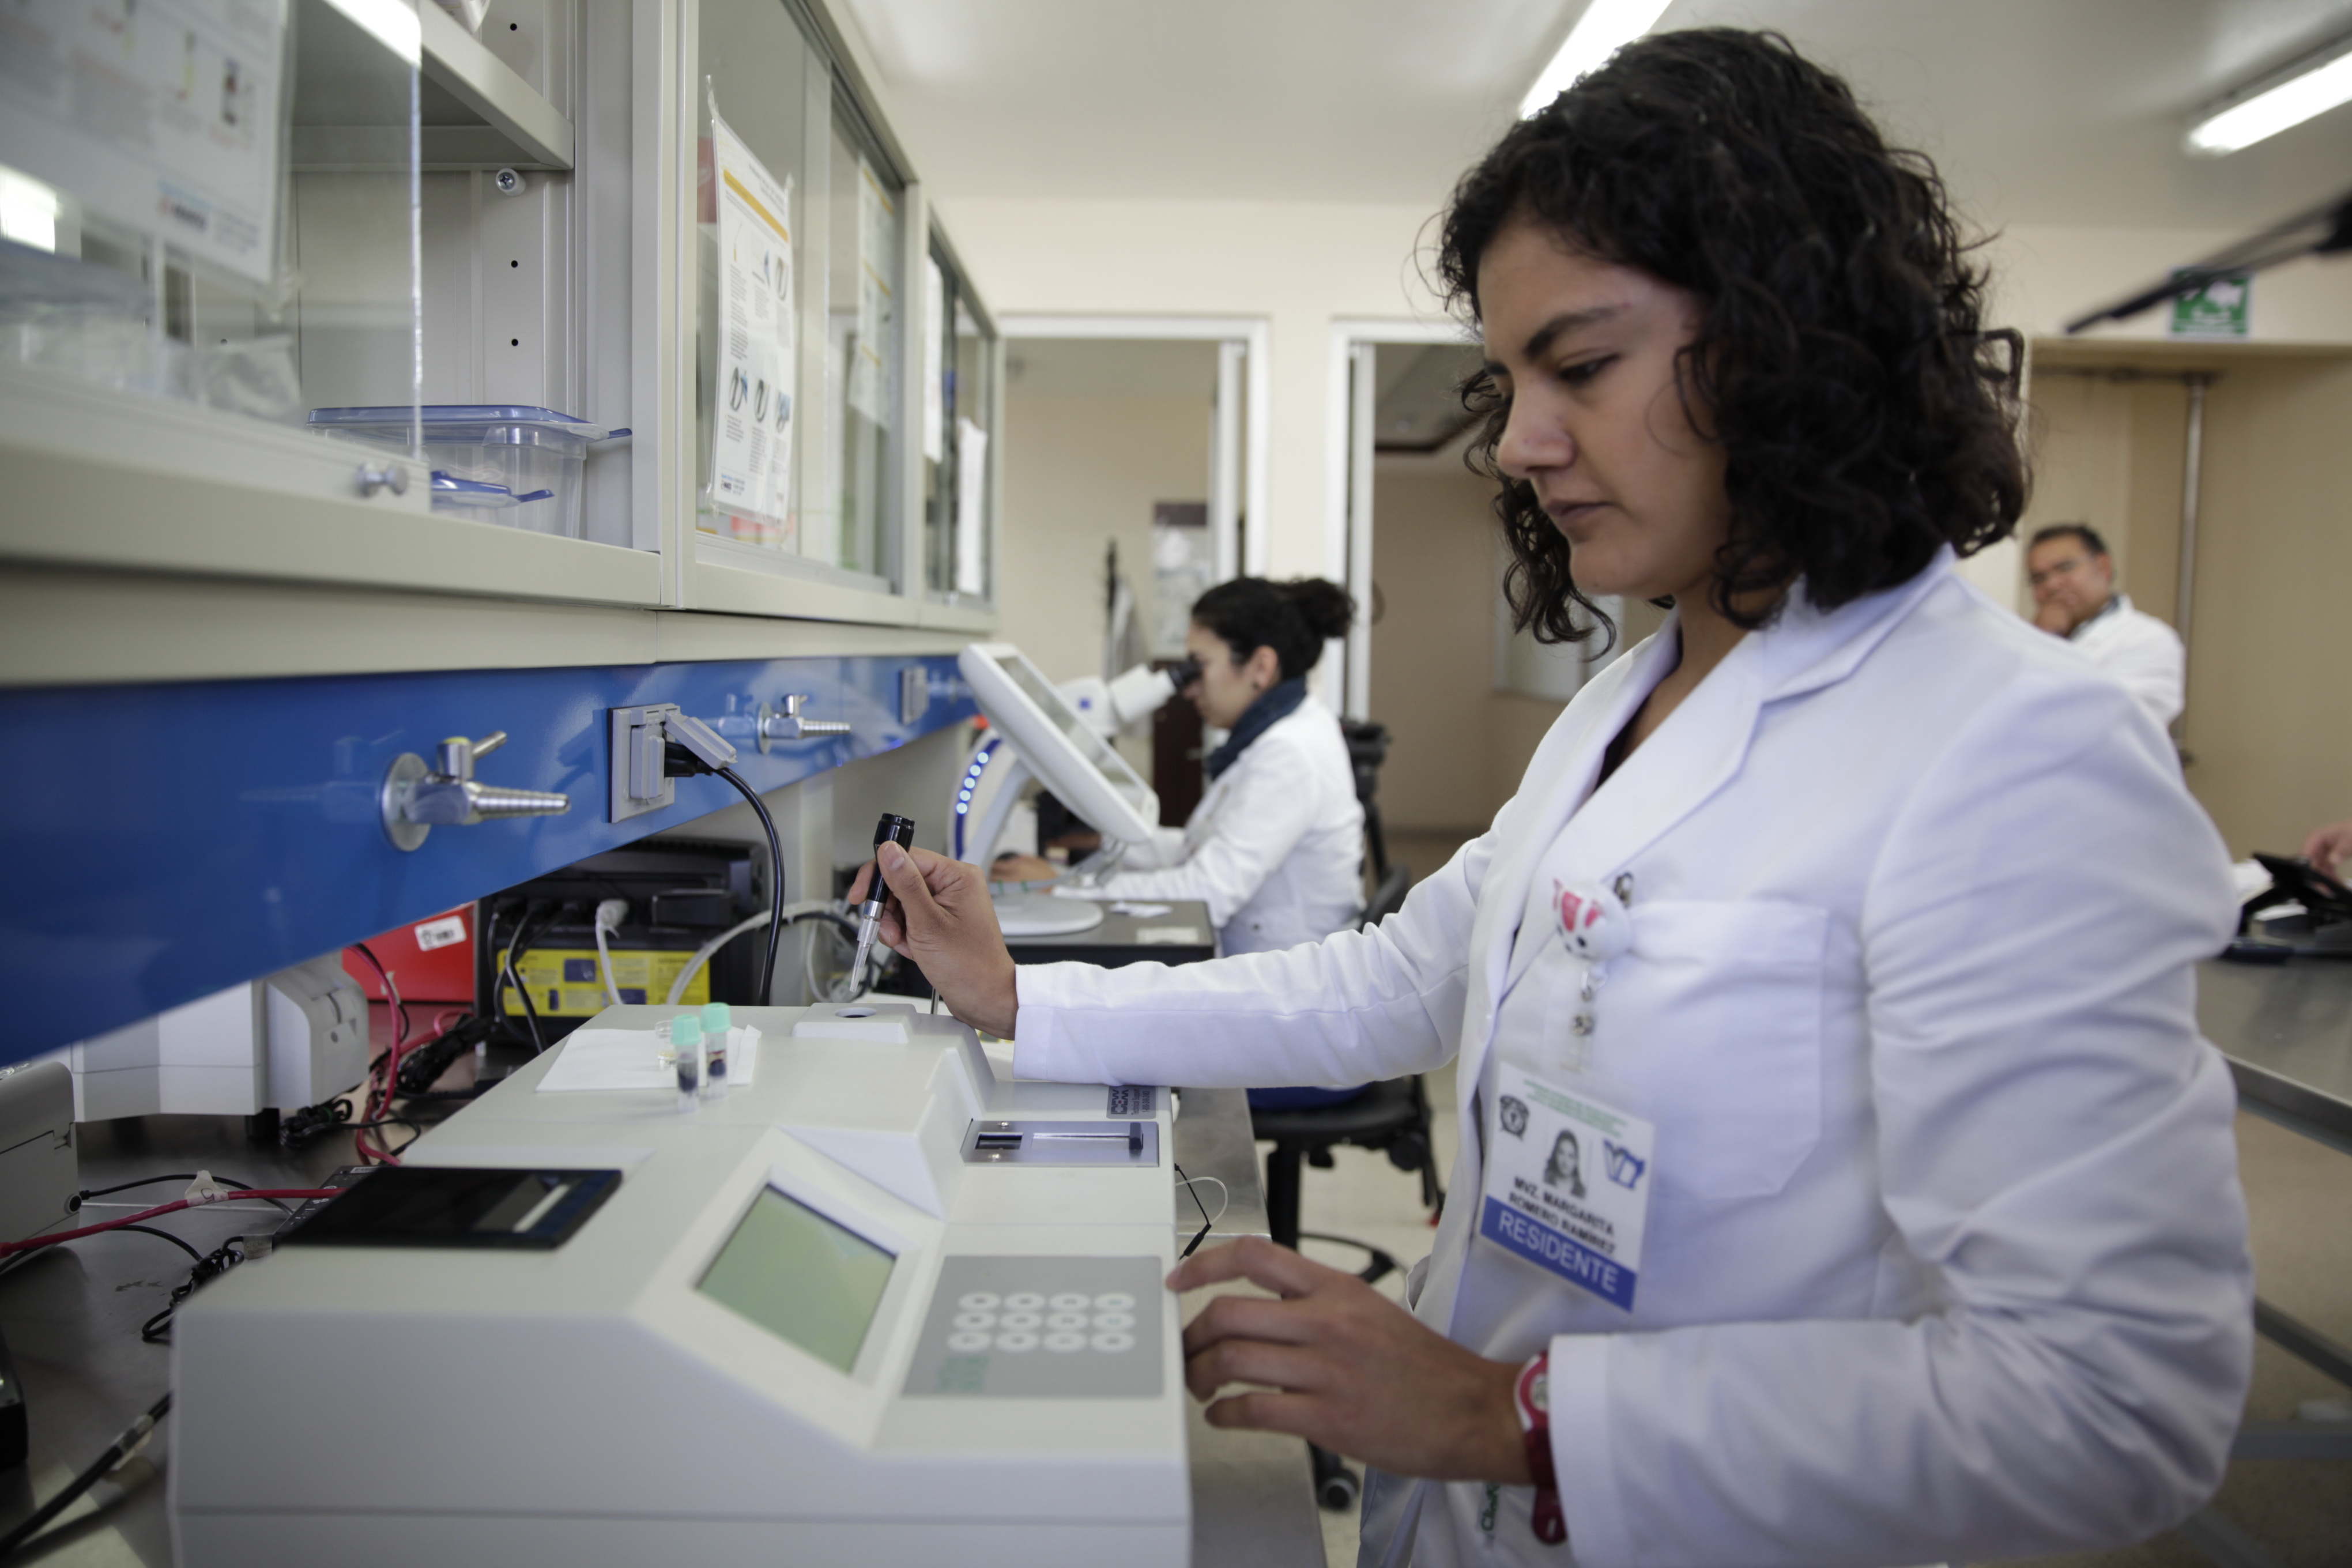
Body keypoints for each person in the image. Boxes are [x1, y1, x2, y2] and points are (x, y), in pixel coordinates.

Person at [854, 31, 2250, 1568]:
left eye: (1579, 368)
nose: (1518, 444)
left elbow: (2112, 1404)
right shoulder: (1628, 698)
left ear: (1789, 345)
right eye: (1509, 380)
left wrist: (1511, 1419)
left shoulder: (2012, 746)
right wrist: (1024, 1001)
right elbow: (1393, 980)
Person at [998, 576, 1366, 959]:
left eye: (1199, 666)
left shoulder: (1290, 754)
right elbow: (1202, 848)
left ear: (1260, 667)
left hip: (1284, 972)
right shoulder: (1285, 732)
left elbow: (1206, 892)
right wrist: (1107, 839)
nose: (1189, 688)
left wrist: (1062, 888)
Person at [2026, 522, 2187, 725]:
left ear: (2103, 567)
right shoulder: (2029, 639)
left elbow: (2116, 721)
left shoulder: (2149, 638)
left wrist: (2042, 648)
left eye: (2065, 568)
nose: (2051, 585)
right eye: (2038, 578)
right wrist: (2037, 641)